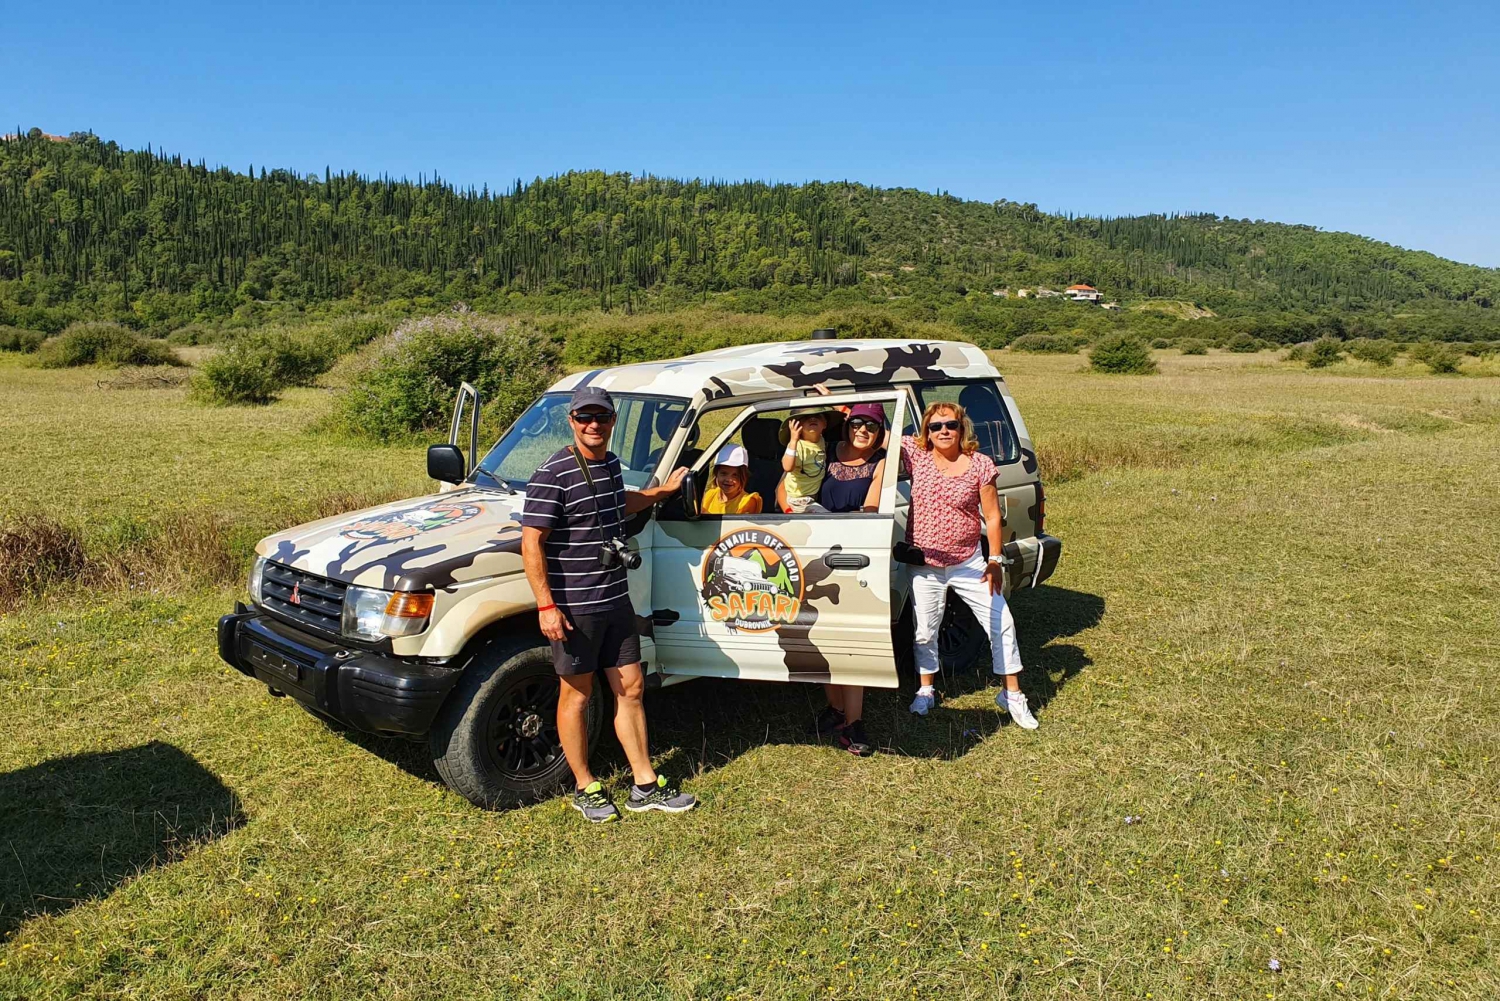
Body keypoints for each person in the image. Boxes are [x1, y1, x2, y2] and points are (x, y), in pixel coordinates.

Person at [520, 385, 698, 822]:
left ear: (613, 421)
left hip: (616, 598)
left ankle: (644, 783)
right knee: (577, 694)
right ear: (572, 421)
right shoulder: (553, 472)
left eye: (601, 417)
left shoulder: (611, 465)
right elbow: (532, 541)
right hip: (575, 606)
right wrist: (546, 606)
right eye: (584, 417)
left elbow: (620, 503)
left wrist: (661, 493)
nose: (593, 425)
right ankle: (585, 786)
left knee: (631, 688)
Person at [902, 402, 1039, 729]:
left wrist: (994, 560)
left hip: (969, 561)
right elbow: (873, 431)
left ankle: (1012, 694)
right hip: (925, 564)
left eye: (950, 425)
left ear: (961, 428)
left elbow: (992, 516)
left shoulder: (980, 464)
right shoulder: (916, 454)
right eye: (935, 426)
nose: (943, 431)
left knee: (1001, 620)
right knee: (925, 629)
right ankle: (926, 690)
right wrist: (839, 403)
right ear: (926, 431)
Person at [805, 402, 889, 756]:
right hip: (814, 552)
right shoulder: (826, 451)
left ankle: (854, 723)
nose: (862, 430)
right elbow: (791, 486)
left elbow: (870, 510)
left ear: (881, 431)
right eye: (856, 423)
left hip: (853, 558)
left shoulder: (881, 461)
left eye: (871, 425)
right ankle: (836, 709)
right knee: (820, 639)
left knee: (849, 645)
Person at [779, 410, 831, 513]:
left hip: (812, 496)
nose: (812, 418)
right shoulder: (797, 446)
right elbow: (787, 467)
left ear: (825, 424)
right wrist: (793, 440)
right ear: (797, 426)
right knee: (828, 519)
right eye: (806, 417)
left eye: (818, 416)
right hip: (799, 499)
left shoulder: (821, 440)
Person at [701, 443, 763, 515]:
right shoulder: (710, 495)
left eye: (735, 475)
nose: (729, 479)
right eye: (724, 473)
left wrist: (703, 511)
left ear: (743, 477)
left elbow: (737, 522)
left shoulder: (747, 501)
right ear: (716, 474)